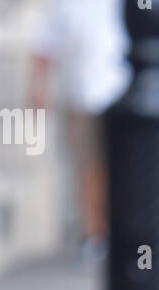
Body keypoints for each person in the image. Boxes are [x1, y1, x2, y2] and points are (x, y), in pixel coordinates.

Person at [30, 0, 130, 258]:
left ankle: (123, 233)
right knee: (88, 168)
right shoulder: (64, 4)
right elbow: (44, 44)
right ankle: (94, 235)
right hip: (79, 96)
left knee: (122, 169)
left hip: (123, 96)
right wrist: (38, 88)